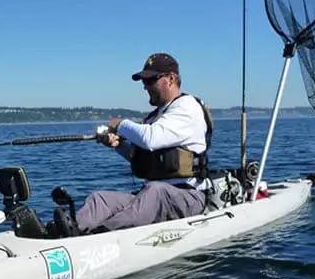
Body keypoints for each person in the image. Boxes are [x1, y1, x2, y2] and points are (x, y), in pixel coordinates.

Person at [74, 52, 214, 234]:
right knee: (99, 199)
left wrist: (119, 124)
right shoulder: (154, 117)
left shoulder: (187, 107)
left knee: (155, 192)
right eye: (144, 82)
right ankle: (64, 232)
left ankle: (99, 235)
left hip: (189, 197)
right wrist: (118, 145)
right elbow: (139, 154)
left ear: (171, 79)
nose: (145, 87)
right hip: (153, 197)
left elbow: (150, 139)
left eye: (150, 81)